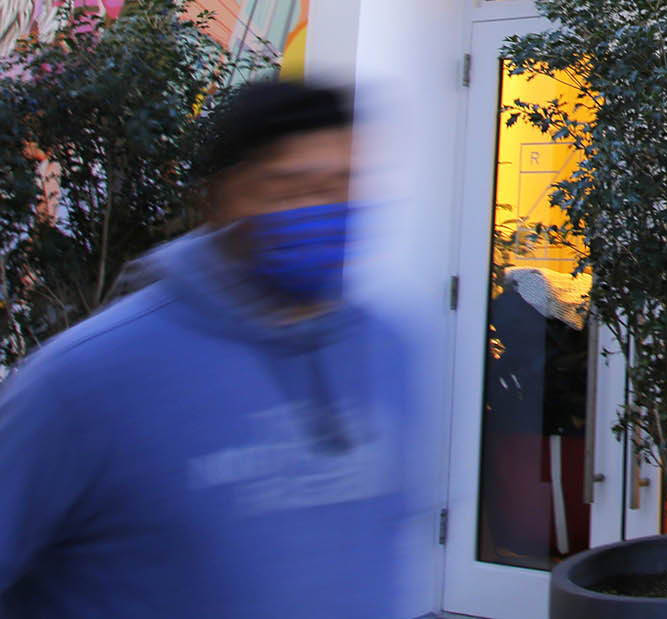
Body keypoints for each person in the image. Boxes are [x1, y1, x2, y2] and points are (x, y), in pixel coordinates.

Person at [0, 79, 417, 619]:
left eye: (341, 185)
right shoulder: (81, 383)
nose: (321, 210)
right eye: (289, 188)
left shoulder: (389, 351)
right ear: (220, 200)